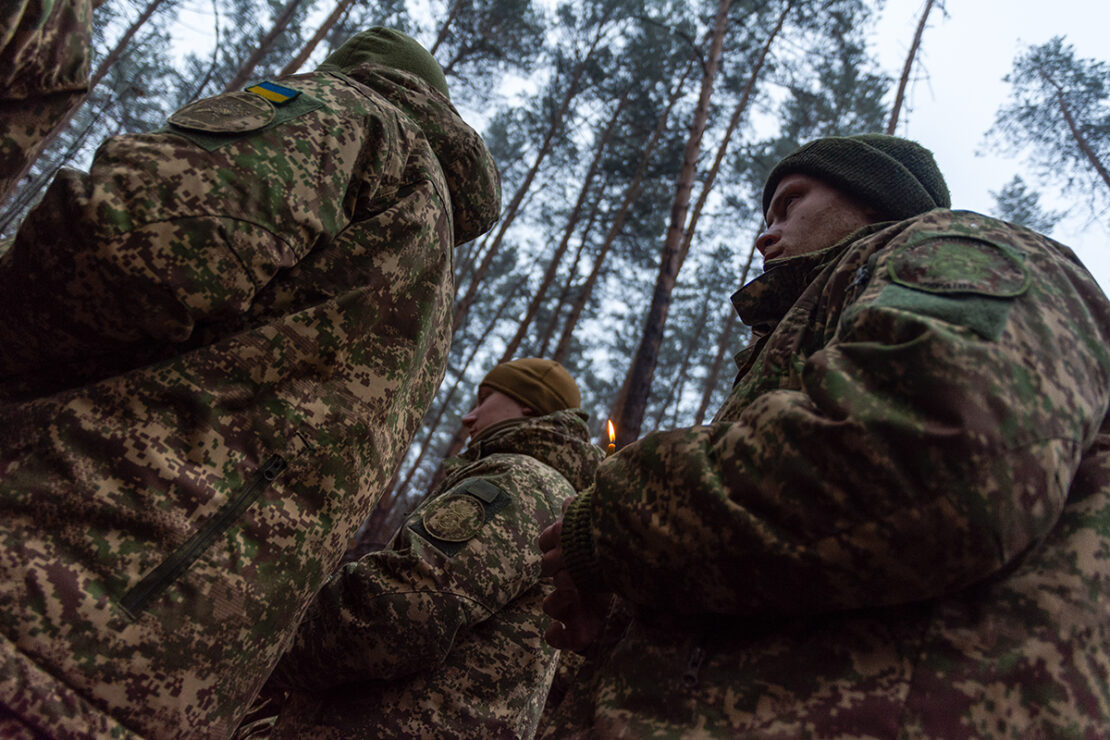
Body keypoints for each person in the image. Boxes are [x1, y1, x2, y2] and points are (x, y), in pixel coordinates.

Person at [0, 8, 500, 737]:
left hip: (50, 581)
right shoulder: (429, 283)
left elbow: (127, 241)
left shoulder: (350, 114)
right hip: (172, 681)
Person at [538, 133, 1110, 736]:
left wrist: (611, 521)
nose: (764, 234)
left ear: (872, 195)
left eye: (789, 204)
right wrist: (634, 618)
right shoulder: (804, 328)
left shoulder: (960, 249)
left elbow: (925, 459)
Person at [257, 358, 603, 738]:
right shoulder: (543, 487)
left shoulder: (521, 479)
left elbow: (402, 606)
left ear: (529, 406)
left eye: (484, 399)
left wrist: (265, 648)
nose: (469, 418)